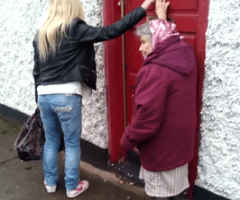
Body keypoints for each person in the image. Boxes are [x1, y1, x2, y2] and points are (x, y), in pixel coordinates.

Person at [32, 0, 156, 198]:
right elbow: (110, 31)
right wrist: (142, 8)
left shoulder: (42, 33)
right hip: (66, 95)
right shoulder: (74, 28)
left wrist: (38, 98)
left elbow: (37, 70)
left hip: (44, 95)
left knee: (51, 141)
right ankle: (72, 186)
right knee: (72, 143)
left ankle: (50, 182)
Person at [120, 0, 197, 200]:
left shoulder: (154, 71)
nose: (140, 49)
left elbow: (147, 118)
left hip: (161, 152)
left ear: (157, 40)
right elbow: (166, 39)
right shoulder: (183, 56)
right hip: (179, 149)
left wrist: (128, 140)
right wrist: (161, 20)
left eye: (145, 42)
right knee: (177, 194)